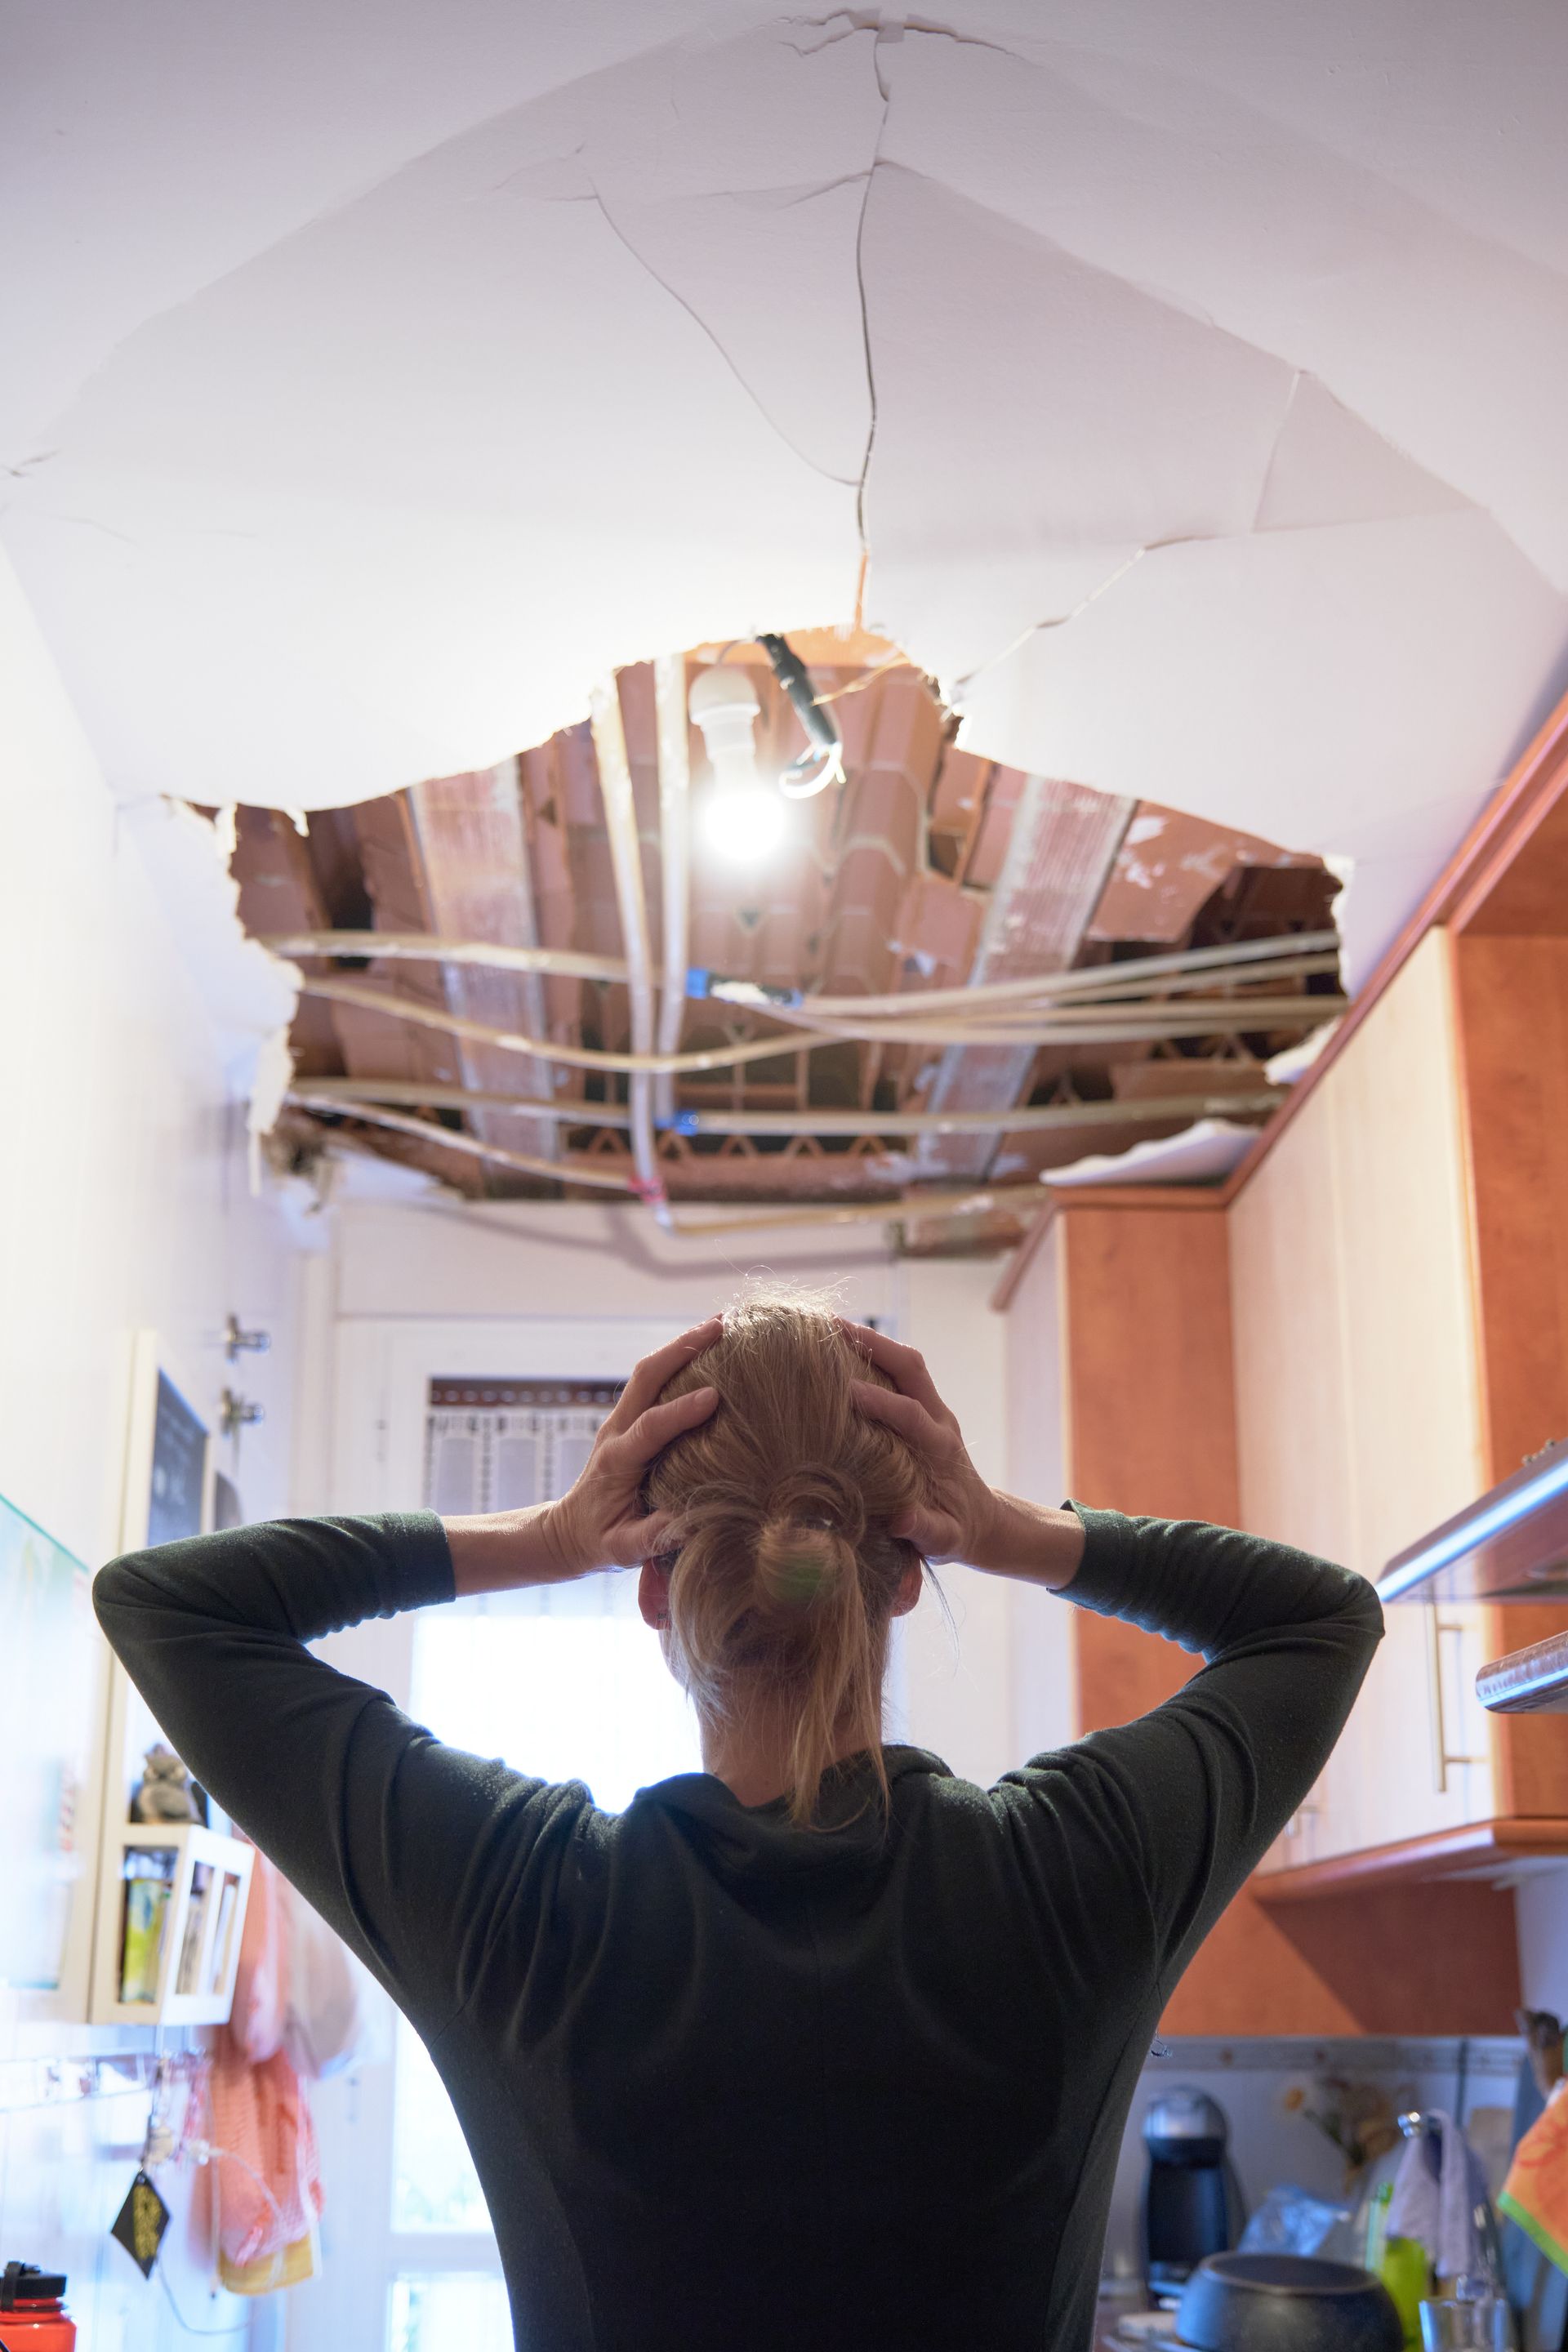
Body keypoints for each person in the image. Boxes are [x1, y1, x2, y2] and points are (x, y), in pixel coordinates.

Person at [94, 1296, 1383, 2352]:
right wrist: (1007, 1527)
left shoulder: (524, 1904)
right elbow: (1320, 1621)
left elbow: (170, 1607)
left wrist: (545, 1536)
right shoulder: (1070, 1876)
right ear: (906, 1572)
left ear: (656, 1591)